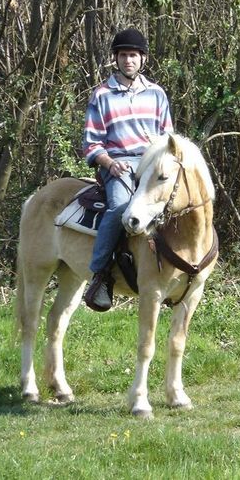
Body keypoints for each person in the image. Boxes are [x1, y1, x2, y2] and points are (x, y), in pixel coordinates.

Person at [82, 27, 173, 311]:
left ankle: (175, 274)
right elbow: (91, 143)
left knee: (175, 203)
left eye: (133, 55)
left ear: (142, 59)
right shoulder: (102, 95)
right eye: (123, 55)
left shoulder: (157, 94)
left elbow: (168, 136)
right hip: (117, 163)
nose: (128, 60)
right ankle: (100, 275)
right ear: (116, 59)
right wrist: (109, 162)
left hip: (151, 162)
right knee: (121, 207)